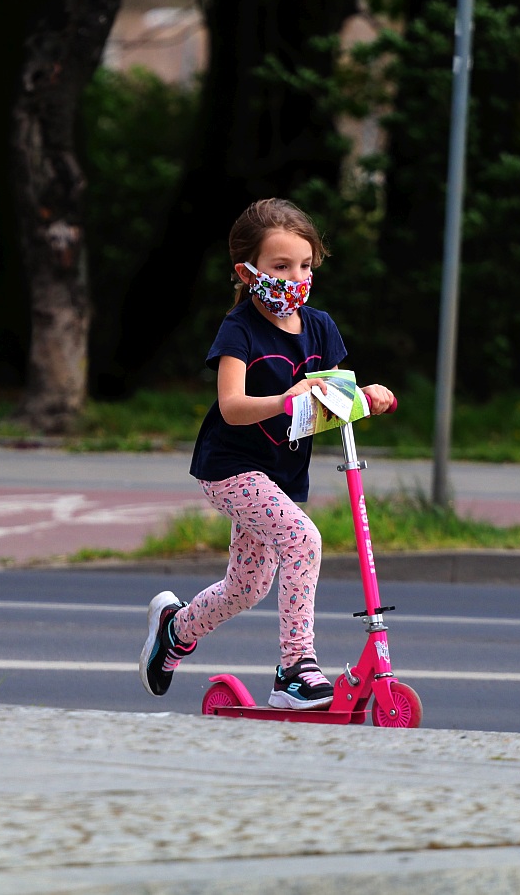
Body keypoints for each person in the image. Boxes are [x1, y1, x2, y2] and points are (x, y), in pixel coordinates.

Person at [140, 198, 395, 709]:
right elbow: (231, 406)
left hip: (279, 474)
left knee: (247, 587)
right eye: (280, 267)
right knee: (303, 540)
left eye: (305, 266)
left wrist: (367, 395)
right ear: (248, 272)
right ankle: (295, 668)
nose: (295, 277)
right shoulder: (240, 330)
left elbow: (331, 394)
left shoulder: (320, 327)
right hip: (231, 467)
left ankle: (175, 629)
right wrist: (283, 399)